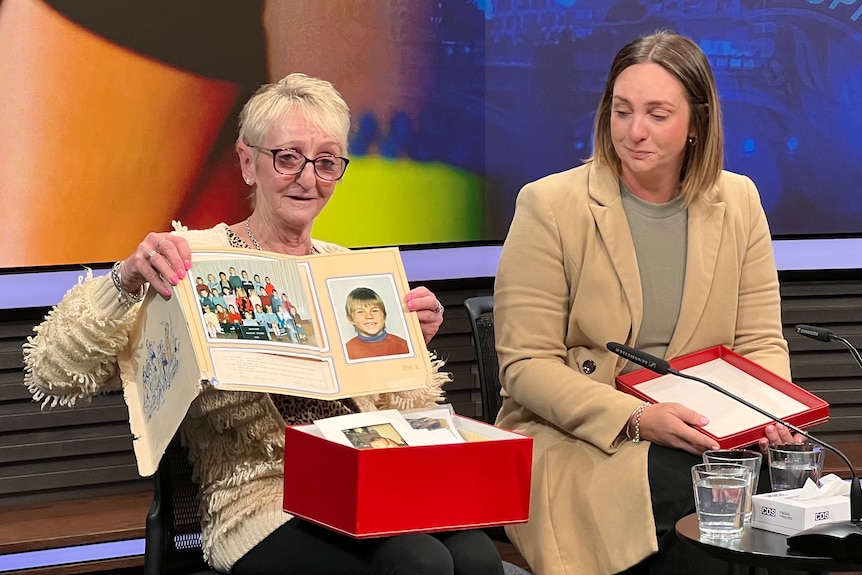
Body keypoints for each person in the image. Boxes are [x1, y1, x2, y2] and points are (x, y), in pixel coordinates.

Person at [23, 73, 501, 575]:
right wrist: (123, 279)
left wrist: (408, 351)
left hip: (365, 491)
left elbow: (399, 418)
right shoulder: (186, 260)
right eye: (288, 157)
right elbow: (53, 374)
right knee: (417, 561)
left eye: (326, 161)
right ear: (248, 162)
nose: (307, 178)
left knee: (476, 555)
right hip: (263, 503)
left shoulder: (349, 270)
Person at [493, 31, 802, 575]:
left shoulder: (740, 201)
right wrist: (637, 416)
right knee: (704, 505)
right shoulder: (549, 205)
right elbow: (525, 366)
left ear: (696, 123)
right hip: (582, 435)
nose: (634, 132)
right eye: (622, 111)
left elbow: (760, 344)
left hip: (709, 432)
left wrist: (768, 413)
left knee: (792, 498)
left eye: (658, 114)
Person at [344, 287, 410, 360]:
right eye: (360, 312)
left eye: (374, 311)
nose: (369, 316)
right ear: (350, 319)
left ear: (384, 316)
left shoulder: (404, 346)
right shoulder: (346, 351)